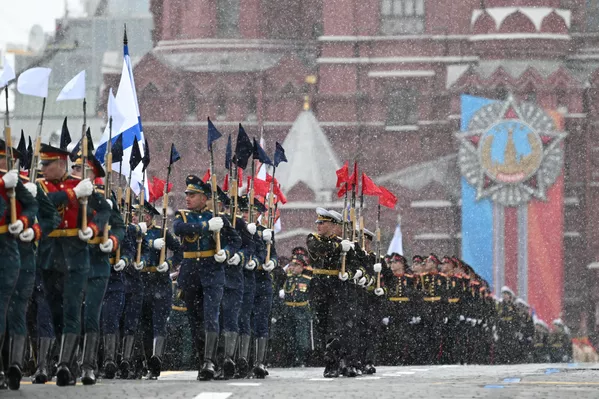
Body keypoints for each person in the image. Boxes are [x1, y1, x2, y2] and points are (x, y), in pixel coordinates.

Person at [36, 143, 111, 386]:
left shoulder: (86, 190)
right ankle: (67, 358)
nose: (43, 168)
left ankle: (70, 365)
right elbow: (44, 202)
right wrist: (73, 194)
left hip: (82, 260)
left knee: (77, 312)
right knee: (55, 312)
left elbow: (107, 214)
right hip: (50, 257)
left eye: (47, 164)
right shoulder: (40, 187)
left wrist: (97, 230)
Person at [173, 175, 241, 381]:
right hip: (191, 274)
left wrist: (227, 253)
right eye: (187, 194)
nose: (188, 198)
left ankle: (210, 361)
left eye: (192, 195)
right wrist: (205, 227)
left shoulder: (219, 218)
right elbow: (178, 229)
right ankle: (203, 359)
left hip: (213, 272)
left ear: (204, 198)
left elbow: (235, 240)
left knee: (212, 317)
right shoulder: (183, 216)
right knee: (196, 321)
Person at [71, 151, 125, 385]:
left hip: (95, 261)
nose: (73, 171)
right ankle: (67, 362)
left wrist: (111, 241)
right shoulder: (64, 193)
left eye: (79, 167)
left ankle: (88, 366)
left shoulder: (104, 197)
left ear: (92, 174)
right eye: (73, 167)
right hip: (70, 260)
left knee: (91, 314)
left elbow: (120, 227)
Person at [0, 145, 39, 389]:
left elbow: (41, 216)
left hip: (13, 252)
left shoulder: (21, 184)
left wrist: (26, 224)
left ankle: (12, 365)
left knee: (12, 310)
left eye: (6, 158)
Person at [306, 207, 358, 378]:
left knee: (335, 326)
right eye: (318, 222)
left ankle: (333, 363)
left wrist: (349, 272)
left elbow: (353, 265)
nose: (319, 225)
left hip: (337, 286)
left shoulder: (345, 244)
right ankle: (331, 359)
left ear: (333, 225)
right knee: (322, 326)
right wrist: (338, 246)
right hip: (320, 286)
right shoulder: (313, 238)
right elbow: (319, 248)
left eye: (323, 223)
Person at [139, 201, 182, 380]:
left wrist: (169, 264)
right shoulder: (134, 233)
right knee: (145, 326)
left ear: (149, 216)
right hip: (142, 282)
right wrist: (149, 244)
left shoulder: (161, 232)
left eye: (142, 214)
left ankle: (156, 361)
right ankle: (148, 363)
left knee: (158, 324)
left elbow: (180, 251)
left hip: (159, 281)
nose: (138, 217)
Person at [278, 250, 312, 367]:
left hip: (301, 311)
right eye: (292, 265)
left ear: (302, 267)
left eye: (297, 265)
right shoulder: (287, 278)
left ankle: (300, 358)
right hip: (288, 310)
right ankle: (289, 358)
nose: (294, 268)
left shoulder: (307, 279)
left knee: (301, 337)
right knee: (289, 336)